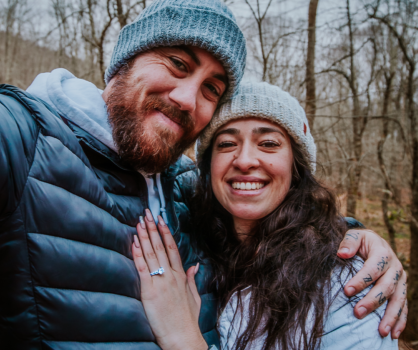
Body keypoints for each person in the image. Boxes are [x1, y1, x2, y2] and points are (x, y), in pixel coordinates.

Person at [0, 0, 405, 347]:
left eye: (211, 89)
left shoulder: (186, 189)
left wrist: (349, 240)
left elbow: (269, 211)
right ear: (125, 61)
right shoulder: (19, 137)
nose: (186, 98)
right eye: (177, 62)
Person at [132, 82, 407, 350]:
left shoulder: (347, 283)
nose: (244, 160)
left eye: (268, 143)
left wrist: (186, 342)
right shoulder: (200, 246)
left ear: (295, 166)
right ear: (207, 167)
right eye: (227, 143)